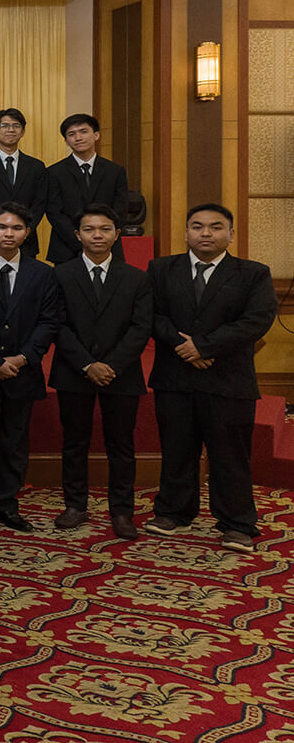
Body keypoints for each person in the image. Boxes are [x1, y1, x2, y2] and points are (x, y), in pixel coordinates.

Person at [146, 203, 277, 552]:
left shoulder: (253, 273)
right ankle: (173, 512)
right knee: (177, 450)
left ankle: (237, 523)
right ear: (186, 232)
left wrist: (204, 347)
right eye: (197, 226)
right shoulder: (161, 269)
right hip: (175, 378)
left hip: (228, 380)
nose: (206, 233)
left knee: (230, 455)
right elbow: (152, 315)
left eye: (216, 227)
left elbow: (256, 320)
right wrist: (184, 347)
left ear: (230, 234)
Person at [50, 203, 152, 540]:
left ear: (116, 234)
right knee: (74, 442)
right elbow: (57, 324)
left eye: (105, 229)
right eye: (90, 229)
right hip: (73, 371)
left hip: (121, 373)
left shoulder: (136, 277)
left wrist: (111, 365)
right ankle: (75, 505)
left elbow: (141, 327)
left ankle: (122, 512)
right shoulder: (61, 274)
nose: (97, 235)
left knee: (121, 445)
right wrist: (87, 364)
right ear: (77, 235)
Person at [0, 203, 63, 535]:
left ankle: (8, 504)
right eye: (2, 227)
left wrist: (23, 358)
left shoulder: (43, 273)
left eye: (17, 228)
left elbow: (49, 322)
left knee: (15, 440)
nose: (9, 234)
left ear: (27, 233)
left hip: (23, 371)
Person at [45, 114, 131, 265]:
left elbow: (120, 209)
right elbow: (54, 212)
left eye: (83, 131)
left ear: (96, 135)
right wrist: (81, 240)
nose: (78, 138)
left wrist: (102, 237)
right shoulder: (54, 172)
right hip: (67, 248)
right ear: (66, 141)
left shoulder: (115, 171)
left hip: (107, 247)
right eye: (72, 134)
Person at [0, 109, 48, 258]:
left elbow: (40, 203)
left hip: (26, 241)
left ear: (23, 132)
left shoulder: (36, 166)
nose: (11, 130)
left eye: (16, 126)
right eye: (5, 125)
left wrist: (23, 231)